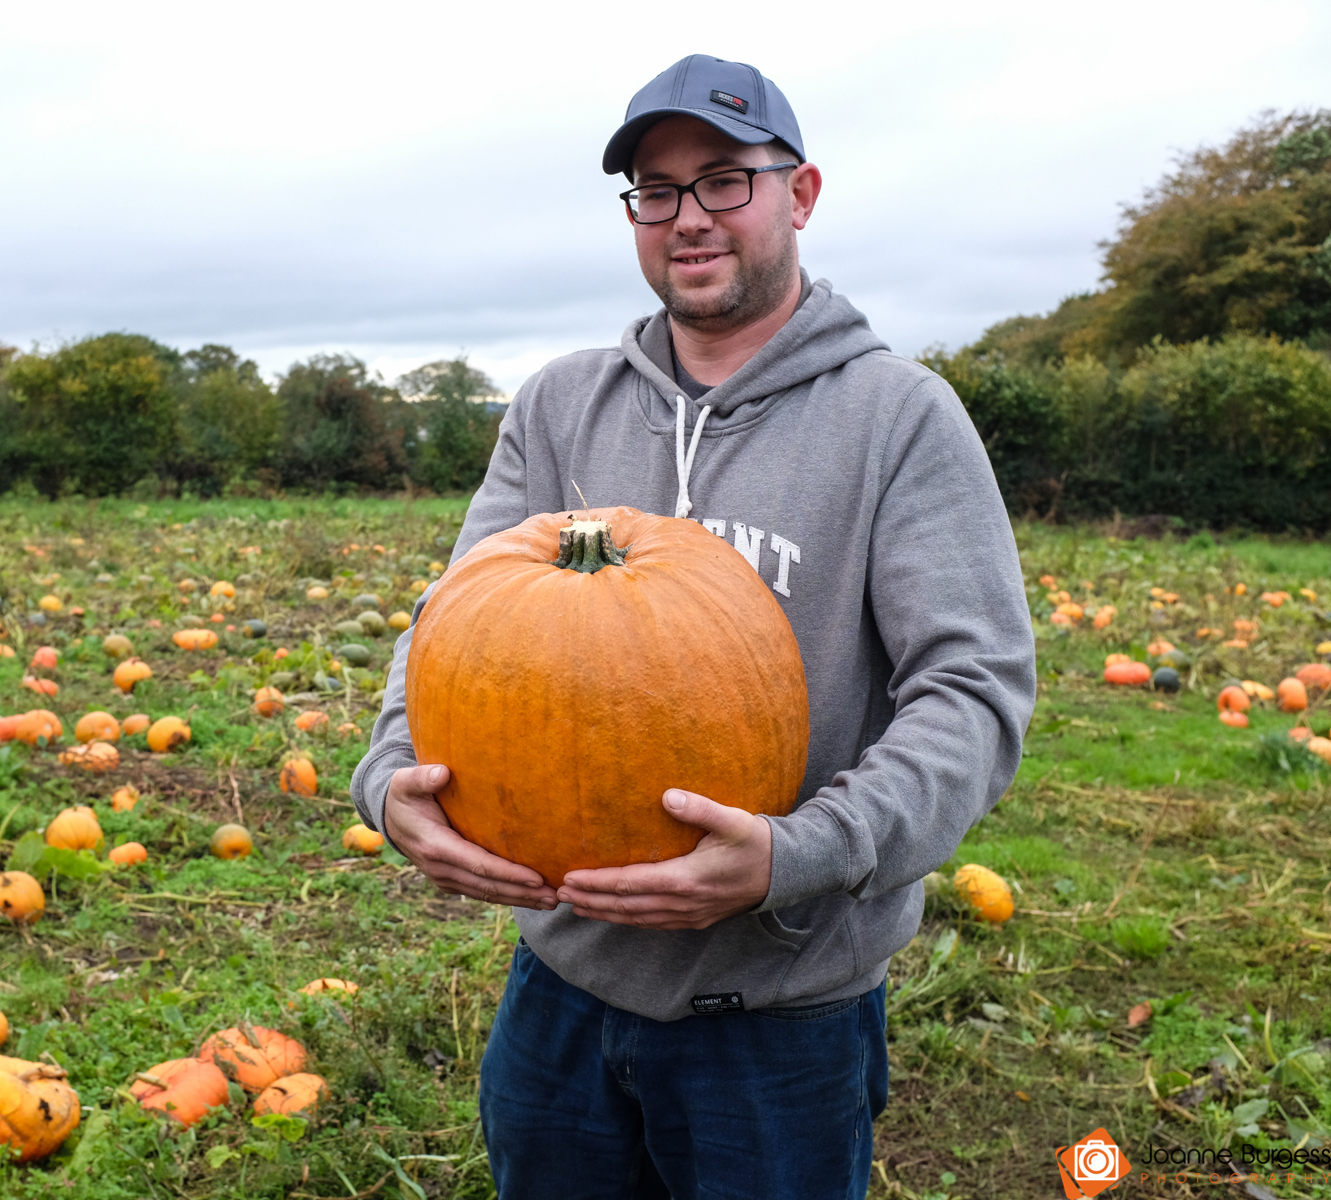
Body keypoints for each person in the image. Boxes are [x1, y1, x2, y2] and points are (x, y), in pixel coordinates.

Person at [350, 54, 1036, 1200]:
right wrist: (388, 781)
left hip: (779, 1014)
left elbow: (974, 695)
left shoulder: (898, 418)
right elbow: (453, 618)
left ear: (800, 193)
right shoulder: (562, 406)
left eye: (725, 179)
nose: (688, 218)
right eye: (656, 191)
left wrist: (796, 856)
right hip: (560, 987)